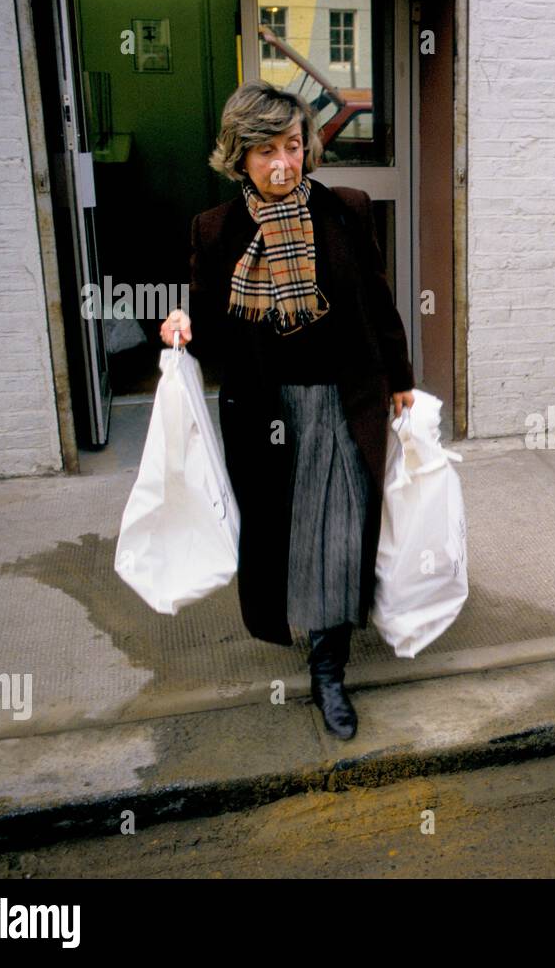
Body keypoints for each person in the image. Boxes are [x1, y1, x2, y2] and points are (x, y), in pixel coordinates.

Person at [159, 80, 415, 739]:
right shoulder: (215, 231)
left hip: (340, 400)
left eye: (294, 146)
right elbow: (212, 326)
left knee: (337, 535)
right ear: (239, 157)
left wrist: (400, 378)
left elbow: (378, 304)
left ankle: (328, 669)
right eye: (266, 150)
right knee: (282, 531)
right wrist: (184, 324)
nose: (284, 163)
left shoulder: (347, 210)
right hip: (265, 410)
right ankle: (298, 625)